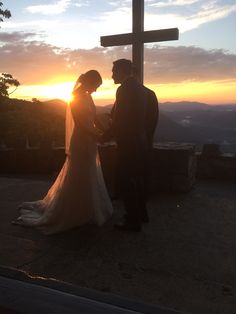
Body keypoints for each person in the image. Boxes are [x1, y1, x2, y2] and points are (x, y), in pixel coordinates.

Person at [13, 70, 113, 235]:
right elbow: (81, 124)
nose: (96, 90)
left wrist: (104, 132)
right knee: (78, 173)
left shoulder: (88, 96)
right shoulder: (75, 98)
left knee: (89, 173)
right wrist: (99, 136)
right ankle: (73, 211)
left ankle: (88, 208)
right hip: (81, 141)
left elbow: (93, 119)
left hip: (91, 140)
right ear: (89, 82)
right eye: (96, 85)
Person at [103, 59, 158, 232]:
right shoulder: (146, 91)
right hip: (141, 144)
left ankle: (132, 221)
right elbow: (150, 121)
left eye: (114, 71)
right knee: (140, 180)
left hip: (128, 144)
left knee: (128, 181)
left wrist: (105, 136)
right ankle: (141, 213)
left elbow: (120, 119)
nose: (111, 75)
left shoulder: (124, 89)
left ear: (121, 71)